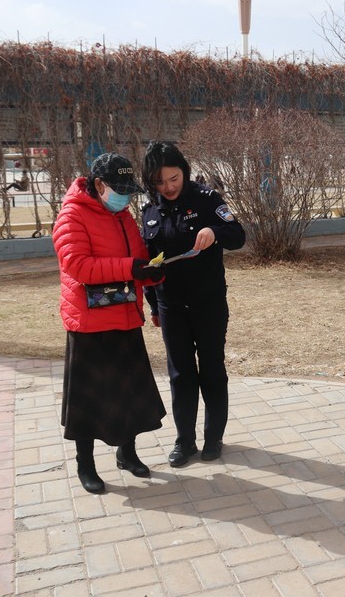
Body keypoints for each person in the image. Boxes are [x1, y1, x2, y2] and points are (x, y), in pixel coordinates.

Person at [52, 152, 167, 494]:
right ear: (99, 185)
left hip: (124, 315)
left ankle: (127, 453)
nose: (125, 197)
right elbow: (78, 266)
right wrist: (131, 268)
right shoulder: (72, 215)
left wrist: (150, 273)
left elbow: (136, 258)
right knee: (88, 399)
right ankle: (85, 465)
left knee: (129, 391)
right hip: (89, 322)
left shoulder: (123, 216)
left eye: (129, 191)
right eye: (120, 190)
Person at [140, 142, 246, 467]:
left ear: (184, 172)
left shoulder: (206, 199)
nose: (168, 187)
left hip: (208, 303)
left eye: (174, 178)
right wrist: (154, 306)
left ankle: (214, 438)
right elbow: (149, 264)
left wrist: (215, 231)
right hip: (171, 307)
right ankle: (184, 441)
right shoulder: (149, 211)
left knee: (212, 370)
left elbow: (238, 235)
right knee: (180, 375)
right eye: (160, 182)